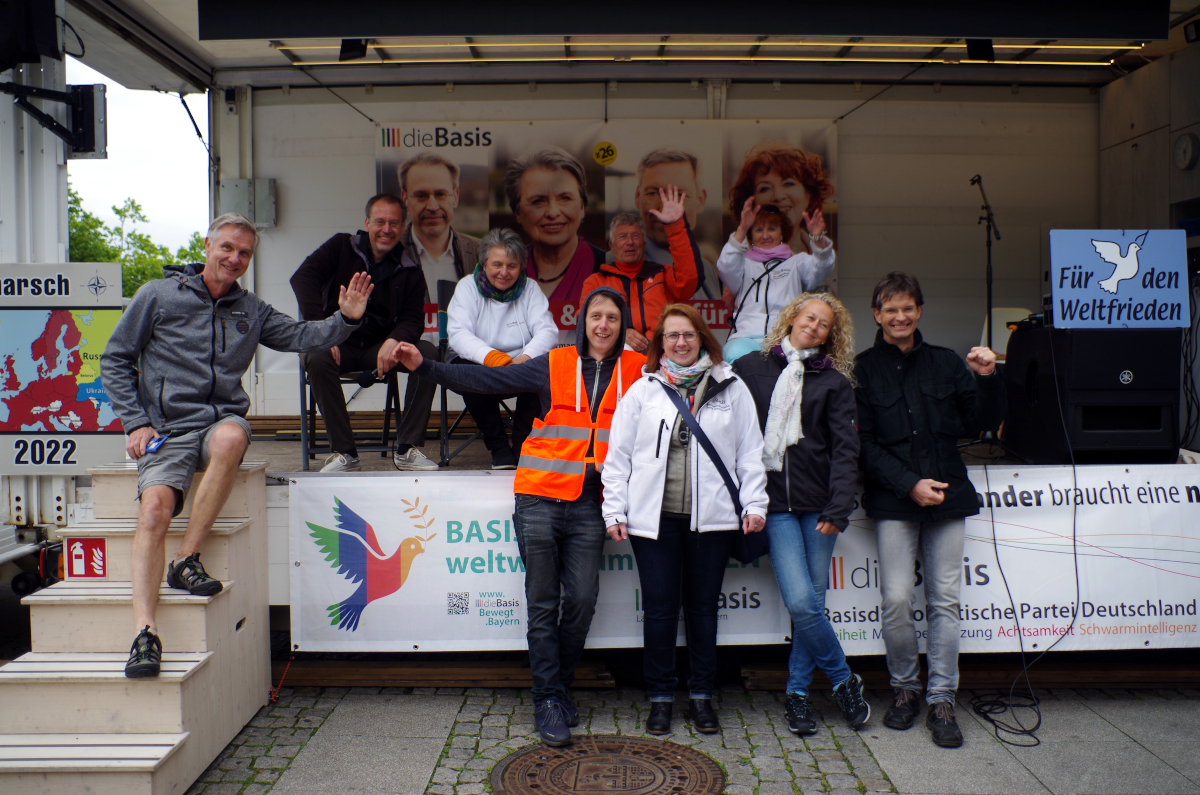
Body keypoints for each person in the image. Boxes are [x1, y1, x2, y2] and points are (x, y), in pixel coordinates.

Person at [101, 213, 372, 678]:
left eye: (244, 253)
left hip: (217, 424)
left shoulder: (252, 310)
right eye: (227, 248)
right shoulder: (157, 296)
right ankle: (145, 634)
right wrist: (136, 422)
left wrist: (344, 320)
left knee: (232, 434)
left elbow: (301, 336)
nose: (235, 259)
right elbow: (115, 359)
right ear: (207, 245)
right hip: (165, 429)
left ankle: (186, 559)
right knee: (152, 513)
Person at [392, 287, 645, 748]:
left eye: (612, 317)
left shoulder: (639, 371)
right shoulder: (556, 361)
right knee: (543, 602)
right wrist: (424, 366)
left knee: (583, 600)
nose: (603, 325)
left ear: (622, 324)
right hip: (540, 496)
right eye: (596, 316)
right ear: (583, 322)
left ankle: (557, 686)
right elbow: (489, 382)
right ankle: (548, 698)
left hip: (594, 500)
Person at [854, 272, 1004, 748]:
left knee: (944, 602)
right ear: (876, 315)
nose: (900, 316)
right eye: (890, 309)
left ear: (920, 311)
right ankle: (904, 690)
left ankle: (942, 699)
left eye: (908, 308)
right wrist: (909, 484)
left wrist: (987, 378)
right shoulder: (860, 370)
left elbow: (979, 422)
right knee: (897, 598)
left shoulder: (945, 362)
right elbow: (863, 445)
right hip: (896, 499)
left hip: (948, 498)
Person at [602, 304, 768, 736]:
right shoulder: (642, 391)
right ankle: (660, 698)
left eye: (688, 335)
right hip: (654, 523)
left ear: (702, 339)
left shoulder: (732, 387)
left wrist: (755, 505)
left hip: (711, 522)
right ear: (661, 344)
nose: (680, 342)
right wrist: (614, 510)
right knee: (659, 612)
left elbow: (750, 454)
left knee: (702, 611)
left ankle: (700, 697)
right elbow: (617, 458)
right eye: (672, 336)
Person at [731, 293, 870, 735]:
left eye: (824, 324)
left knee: (813, 603)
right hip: (772, 506)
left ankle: (796, 695)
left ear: (832, 335)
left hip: (820, 509)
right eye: (809, 317)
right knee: (802, 601)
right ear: (793, 318)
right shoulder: (752, 367)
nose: (814, 326)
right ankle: (844, 679)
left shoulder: (834, 382)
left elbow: (847, 451)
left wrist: (839, 506)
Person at [290, 194, 440, 472]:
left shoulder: (410, 268)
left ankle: (407, 449)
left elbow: (412, 318)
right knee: (316, 354)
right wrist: (323, 330)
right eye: (380, 221)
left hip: (378, 350)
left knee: (428, 352)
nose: (387, 229)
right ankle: (345, 453)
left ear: (403, 226)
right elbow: (302, 278)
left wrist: (395, 340)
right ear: (367, 223)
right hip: (336, 344)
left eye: (394, 223)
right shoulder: (340, 246)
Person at [446, 228, 557, 469]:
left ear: (521, 267)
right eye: (497, 264)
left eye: (512, 266)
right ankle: (499, 449)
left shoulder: (530, 289)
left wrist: (525, 359)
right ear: (484, 264)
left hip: (521, 364)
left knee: (545, 368)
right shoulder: (467, 287)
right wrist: (494, 359)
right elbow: (458, 334)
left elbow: (547, 331)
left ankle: (523, 447)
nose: (504, 273)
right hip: (481, 363)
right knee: (467, 371)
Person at [580, 186, 701, 353]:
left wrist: (675, 225)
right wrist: (621, 333)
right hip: (617, 355)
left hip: (662, 352)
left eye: (635, 236)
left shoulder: (662, 274)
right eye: (623, 237)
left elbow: (688, 284)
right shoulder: (597, 281)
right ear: (612, 246)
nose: (630, 242)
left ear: (644, 244)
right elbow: (585, 322)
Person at [717, 201, 834, 363]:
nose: (765, 235)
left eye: (772, 229)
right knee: (734, 354)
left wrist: (817, 238)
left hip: (785, 339)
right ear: (751, 234)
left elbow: (823, 266)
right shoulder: (742, 264)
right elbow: (725, 266)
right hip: (746, 338)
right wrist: (742, 228)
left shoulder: (797, 262)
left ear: (782, 233)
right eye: (758, 229)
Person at [504, 146, 603, 302]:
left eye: (565, 198)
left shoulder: (608, 269)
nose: (553, 212)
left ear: (582, 206)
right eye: (538, 201)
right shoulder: (502, 275)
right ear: (518, 213)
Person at [624, 148, 722, 300]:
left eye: (680, 195)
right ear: (637, 197)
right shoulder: (615, 266)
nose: (666, 208)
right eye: (653, 193)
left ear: (700, 201)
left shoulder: (707, 269)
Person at [728, 142, 835, 255]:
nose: (778, 196)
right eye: (765, 188)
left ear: (808, 193)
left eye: (788, 184)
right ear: (750, 203)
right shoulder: (738, 260)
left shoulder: (826, 257)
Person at [396, 151, 481, 287]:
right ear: (405, 199)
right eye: (421, 196)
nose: (432, 206)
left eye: (440, 194)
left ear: (455, 197)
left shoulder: (482, 254)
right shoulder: (390, 254)